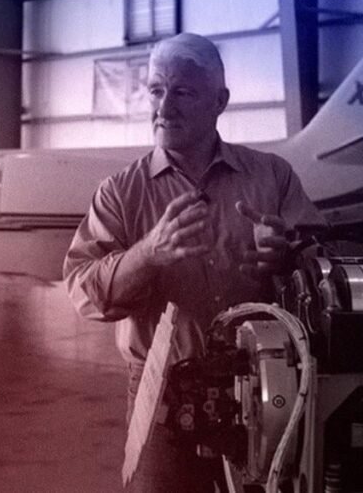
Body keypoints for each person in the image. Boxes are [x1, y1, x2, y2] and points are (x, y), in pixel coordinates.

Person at [63, 32, 327, 492]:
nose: (164, 108)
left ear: (220, 101)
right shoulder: (120, 192)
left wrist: (288, 257)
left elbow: (322, 270)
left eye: (182, 92)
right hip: (163, 391)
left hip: (263, 383)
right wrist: (148, 254)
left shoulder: (273, 176)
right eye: (156, 91)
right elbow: (83, 291)